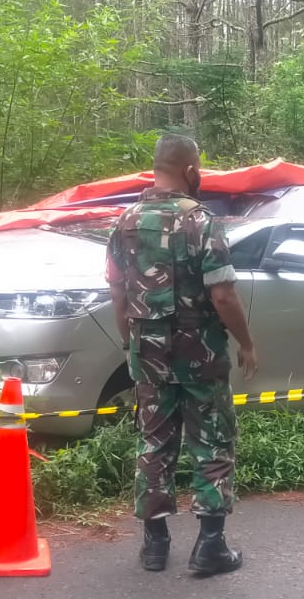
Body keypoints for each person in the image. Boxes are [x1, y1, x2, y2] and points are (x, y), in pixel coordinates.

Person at [107, 134, 259, 576]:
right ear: (192, 171)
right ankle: (210, 546)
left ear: (155, 168)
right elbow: (224, 295)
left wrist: (130, 343)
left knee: (153, 441)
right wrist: (247, 343)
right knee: (211, 441)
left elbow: (117, 295)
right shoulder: (202, 222)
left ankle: (155, 546)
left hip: (147, 355)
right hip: (201, 355)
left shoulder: (124, 222)